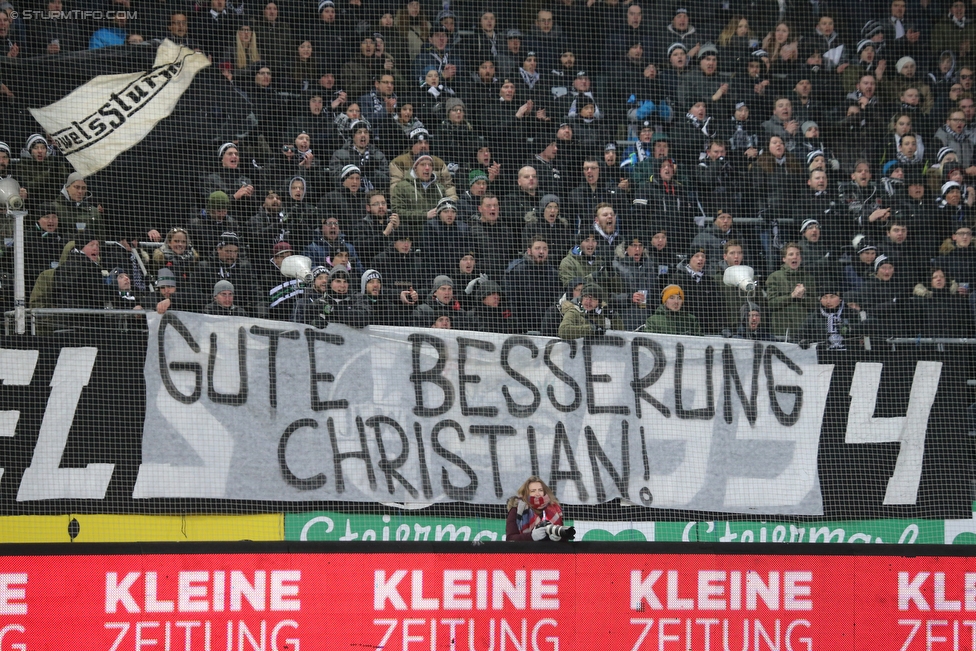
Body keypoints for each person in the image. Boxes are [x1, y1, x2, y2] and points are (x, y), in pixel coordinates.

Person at [505, 476, 575, 542]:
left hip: (550, 553)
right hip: (527, 553)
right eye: (533, 491)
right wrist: (531, 536)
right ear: (526, 493)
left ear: (544, 492)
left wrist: (559, 538)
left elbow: (564, 539)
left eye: (540, 490)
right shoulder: (517, 509)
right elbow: (510, 539)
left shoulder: (554, 508)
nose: (537, 493)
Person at [557, 282, 623, 339]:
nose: (588, 302)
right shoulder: (573, 312)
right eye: (586, 297)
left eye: (593, 298)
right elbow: (563, 331)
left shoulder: (609, 314)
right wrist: (591, 329)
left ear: (599, 302)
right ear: (581, 299)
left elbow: (622, 335)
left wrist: (613, 319)